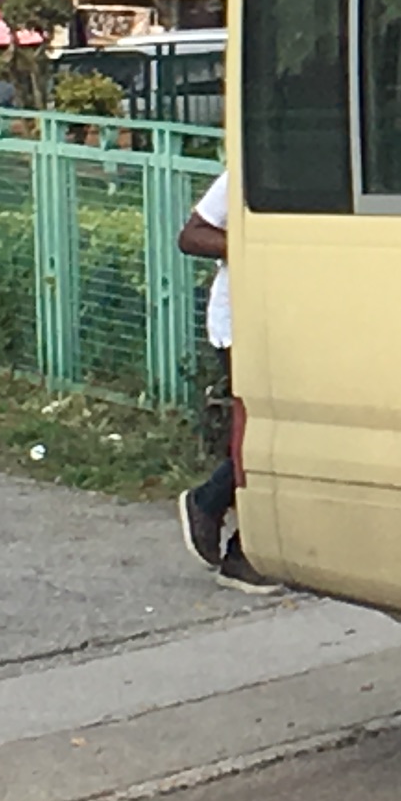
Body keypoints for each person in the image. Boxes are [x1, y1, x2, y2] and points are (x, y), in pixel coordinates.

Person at [173, 171, 273, 590]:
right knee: (258, 433)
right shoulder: (248, 171)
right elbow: (192, 235)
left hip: (292, 319)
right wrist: (254, 248)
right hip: (240, 323)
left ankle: (215, 506)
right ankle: (239, 546)